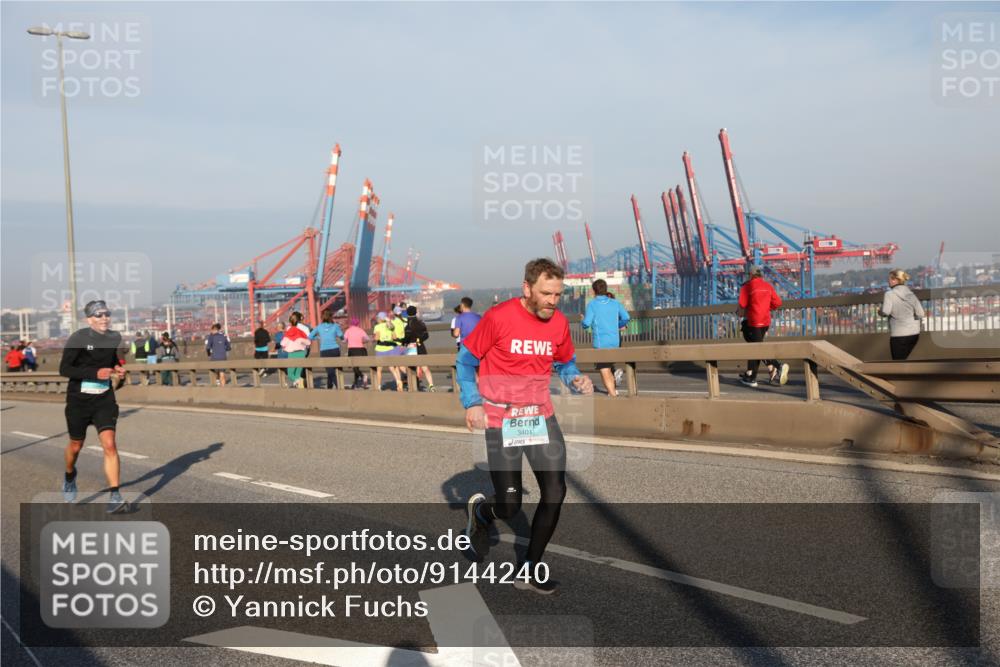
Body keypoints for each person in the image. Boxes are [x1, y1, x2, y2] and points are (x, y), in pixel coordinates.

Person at [458, 258, 594, 595]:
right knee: (510, 505)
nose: (552, 301)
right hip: (501, 419)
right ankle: (482, 510)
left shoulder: (559, 322)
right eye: (546, 293)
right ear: (527, 288)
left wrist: (574, 378)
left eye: (558, 294)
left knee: (555, 492)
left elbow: (565, 363)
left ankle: (531, 566)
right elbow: (465, 361)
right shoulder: (498, 318)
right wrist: (473, 402)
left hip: (540, 416)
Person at [59, 300, 128, 513]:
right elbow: (64, 369)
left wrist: (119, 371)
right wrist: (93, 373)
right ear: (89, 319)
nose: (104, 318)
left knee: (109, 444)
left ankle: (115, 496)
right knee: (76, 446)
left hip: (103, 399)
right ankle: (70, 475)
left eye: (107, 314)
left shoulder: (115, 338)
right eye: (99, 315)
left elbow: (117, 362)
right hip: (78, 401)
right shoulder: (78, 338)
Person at [737, 266, 789, 388]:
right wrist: (766, 308)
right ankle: (756, 373)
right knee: (755, 346)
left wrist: (741, 311)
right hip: (765, 322)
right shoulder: (768, 286)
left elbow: (742, 306)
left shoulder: (747, 287)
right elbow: (778, 303)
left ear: (750, 275)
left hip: (754, 321)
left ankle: (777, 366)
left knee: (757, 347)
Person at [581, 279, 631, 397]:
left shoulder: (592, 305)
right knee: (608, 366)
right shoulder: (615, 303)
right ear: (605, 289)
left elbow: (586, 324)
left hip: (600, 343)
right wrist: (616, 325)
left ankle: (613, 396)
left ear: (594, 291)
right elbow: (626, 317)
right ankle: (613, 386)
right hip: (615, 341)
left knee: (604, 369)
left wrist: (582, 321)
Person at [879, 269, 925, 360]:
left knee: (898, 363)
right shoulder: (911, 294)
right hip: (914, 334)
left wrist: (879, 311)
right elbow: (921, 313)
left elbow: (885, 312)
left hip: (898, 335)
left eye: (889, 279)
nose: (888, 281)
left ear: (895, 280)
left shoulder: (889, 294)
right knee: (904, 361)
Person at [402, 305, 436, 392]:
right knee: (425, 368)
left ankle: (414, 386)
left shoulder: (407, 325)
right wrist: (419, 340)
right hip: (420, 346)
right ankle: (431, 385)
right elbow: (426, 335)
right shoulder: (421, 323)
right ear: (416, 312)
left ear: (407, 313)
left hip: (411, 347)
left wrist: (403, 343)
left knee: (411, 367)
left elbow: (406, 337)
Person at [310, 309, 345, 389]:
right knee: (333, 370)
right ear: (331, 316)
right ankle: (331, 386)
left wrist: (318, 337)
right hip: (335, 349)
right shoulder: (335, 326)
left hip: (324, 351)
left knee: (330, 370)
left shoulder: (319, 327)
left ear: (322, 317)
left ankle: (338, 387)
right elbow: (341, 336)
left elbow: (310, 336)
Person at [372, 311, 403, 391]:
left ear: (379, 319)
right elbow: (394, 337)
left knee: (379, 369)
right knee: (393, 367)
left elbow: (377, 338)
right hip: (390, 348)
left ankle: (378, 387)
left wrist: (373, 338)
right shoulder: (390, 326)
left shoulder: (377, 327)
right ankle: (398, 382)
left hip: (380, 349)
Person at [280, 312, 311, 388]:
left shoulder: (288, 329)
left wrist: (284, 347)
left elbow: (283, 343)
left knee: (291, 373)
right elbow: (308, 342)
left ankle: (298, 381)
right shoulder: (305, 328)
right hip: (303, 352)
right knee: (298, 371)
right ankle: (300, 384)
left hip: (292, 353)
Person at [343, 317, 371, 389]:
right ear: (357, 324)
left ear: (351, 323)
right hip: (361, 350)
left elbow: (344, 340)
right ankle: (355, 384)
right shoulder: (360, 330)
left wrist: (347, 341)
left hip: (352, 350)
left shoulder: (348, 330)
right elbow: (368, 339)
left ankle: (362, 376)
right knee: (356, 367)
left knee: (354, 367)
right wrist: (362, 341)